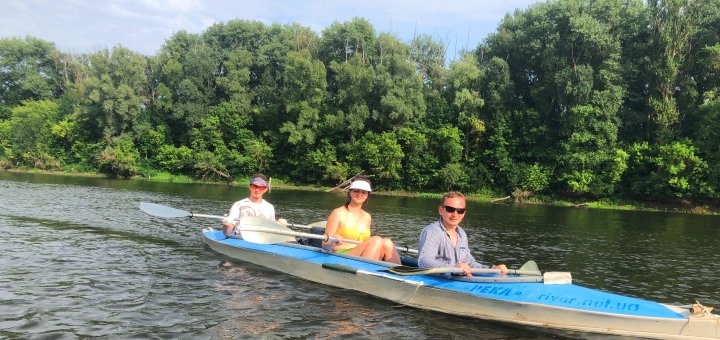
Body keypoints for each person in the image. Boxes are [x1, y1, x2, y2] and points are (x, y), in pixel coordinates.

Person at [418, 191, 508, 277]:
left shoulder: (462, 234)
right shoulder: (432, 231)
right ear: (441, 210)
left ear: (464, 213)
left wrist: (492, 269)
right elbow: (424, 261)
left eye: (460, 211)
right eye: (450, 209)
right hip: (438, 280)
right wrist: (452, 269)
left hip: (457, 278)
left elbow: (469, 263)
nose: (455, 215)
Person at [322, 176, 401, 264]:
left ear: (367, 196)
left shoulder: (367, 216)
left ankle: (399, 274)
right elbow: (325, 245)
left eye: (363, 192)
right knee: (376, 239)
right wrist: (333, 242)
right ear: (350, 192)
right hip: (341, 255)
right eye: (356, 191)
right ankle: (365, 272)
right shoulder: (338, 213)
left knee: (387, 242)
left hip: (363, 255)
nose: (360, 194)